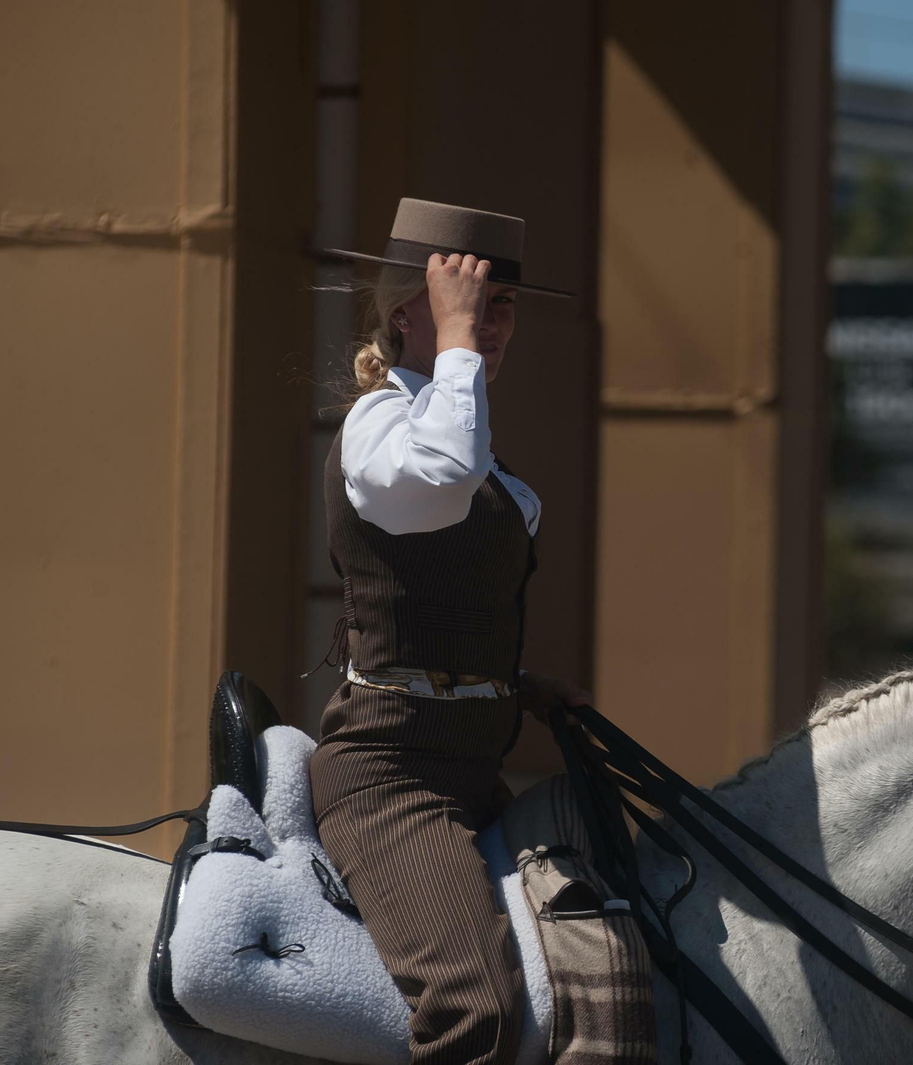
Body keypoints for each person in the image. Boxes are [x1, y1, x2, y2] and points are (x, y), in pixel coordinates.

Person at [309, 198, 589, 1065]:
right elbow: (444, 472)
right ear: (407, 314)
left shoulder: (462, 431)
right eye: (472, 301)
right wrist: (459, 339)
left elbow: (444, 594)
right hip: (392, 779)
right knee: (481, 1013)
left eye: (503, 305)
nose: (493, 324)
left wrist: (515, 684)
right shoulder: (382, 428)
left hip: (473, 764)